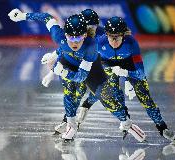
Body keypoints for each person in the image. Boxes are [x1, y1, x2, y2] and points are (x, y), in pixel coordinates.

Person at [8, 9, 146, 142]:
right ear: (66, 34)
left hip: (91, 66)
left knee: (105, 97)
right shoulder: (59, 36)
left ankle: (126, 122)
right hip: (71, 63)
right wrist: (22, 16)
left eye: (78, 37)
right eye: (71, 37)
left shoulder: (94, 43)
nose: (74, 42)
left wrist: (128, 79)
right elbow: (47, 18)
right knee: (70, 92)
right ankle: (70, 123)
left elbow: (82, 76)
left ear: (85, 34)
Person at [75, 17, 175, 146]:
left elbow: (141, 73)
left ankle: (162, 128)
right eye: (111, 37)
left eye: (117, 37)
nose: (114, 41)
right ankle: (104, 110)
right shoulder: (100, 42)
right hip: (108, 65)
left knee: (145, 98)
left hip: (129, 65)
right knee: (111, 91)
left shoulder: (131, 43)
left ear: (123, 35)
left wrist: (126, 75)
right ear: (106, 35)